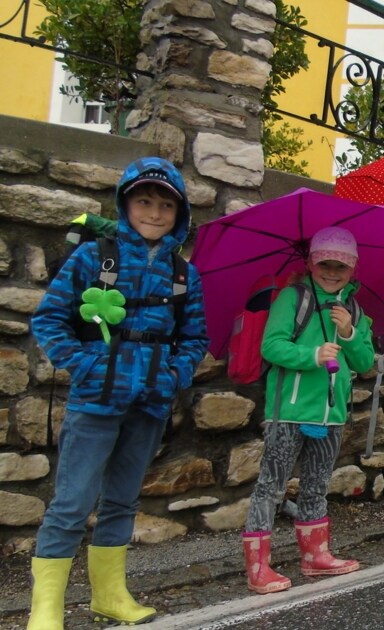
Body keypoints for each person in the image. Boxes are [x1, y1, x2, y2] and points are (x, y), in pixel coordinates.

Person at [28, 157, 209, 628]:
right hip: (95, 400)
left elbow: (195, 339)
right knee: (71, 503)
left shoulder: (185, 275)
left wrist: (173, 376)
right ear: (126, 203)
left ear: (180, 213)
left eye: (166, 204)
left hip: (148, 402)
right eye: (144, 201)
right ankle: (46, 607)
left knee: (123, 502)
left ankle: (109, 594)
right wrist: (86, 364)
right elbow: (48, 319)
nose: (154, 212)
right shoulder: (94, 257)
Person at [241, 226, 374, 594]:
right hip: (289, 410)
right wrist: (312, 356)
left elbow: (364, 362)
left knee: (317, 485)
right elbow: (272, 346)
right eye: (325, 264)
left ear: (353, 269)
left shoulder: (355, 309)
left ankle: (316, 556)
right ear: (311, 263)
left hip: (330, 414)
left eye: (341, 266)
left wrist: (348, 332)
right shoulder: (293, 297)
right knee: (271, 485)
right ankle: (258, 565)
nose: (332, 272)